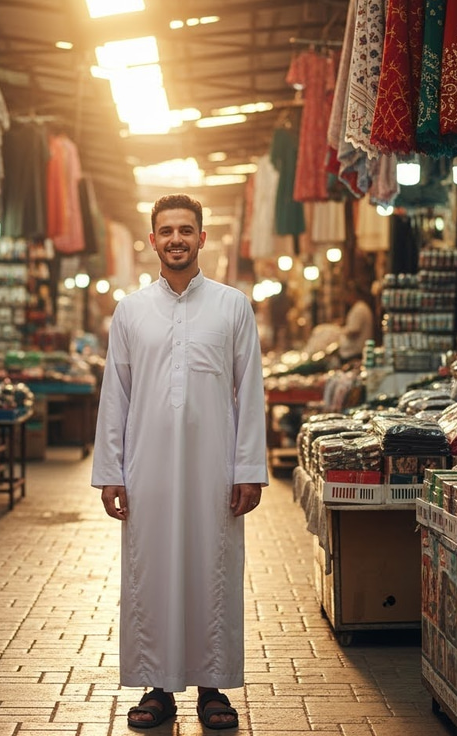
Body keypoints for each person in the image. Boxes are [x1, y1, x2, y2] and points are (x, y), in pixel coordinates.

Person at [92, 193, 268, 730]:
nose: (175, 239)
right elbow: (115, 395)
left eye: (185, 230)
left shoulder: (232, 306)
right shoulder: (131, 311)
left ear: (201, 238)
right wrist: (110, 472)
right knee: (152, 573)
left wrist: (248, 469)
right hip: (147, 471)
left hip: (214, 469)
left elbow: (250, 391)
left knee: (211, 569)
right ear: (152, 240)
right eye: (166, 231)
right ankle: (157, 689)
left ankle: (213, 689)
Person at [338, 281, 374, 361]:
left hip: (355, 353)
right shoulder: (361, 307)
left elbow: (354, 330)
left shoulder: (359, 309)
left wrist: (341, 331)